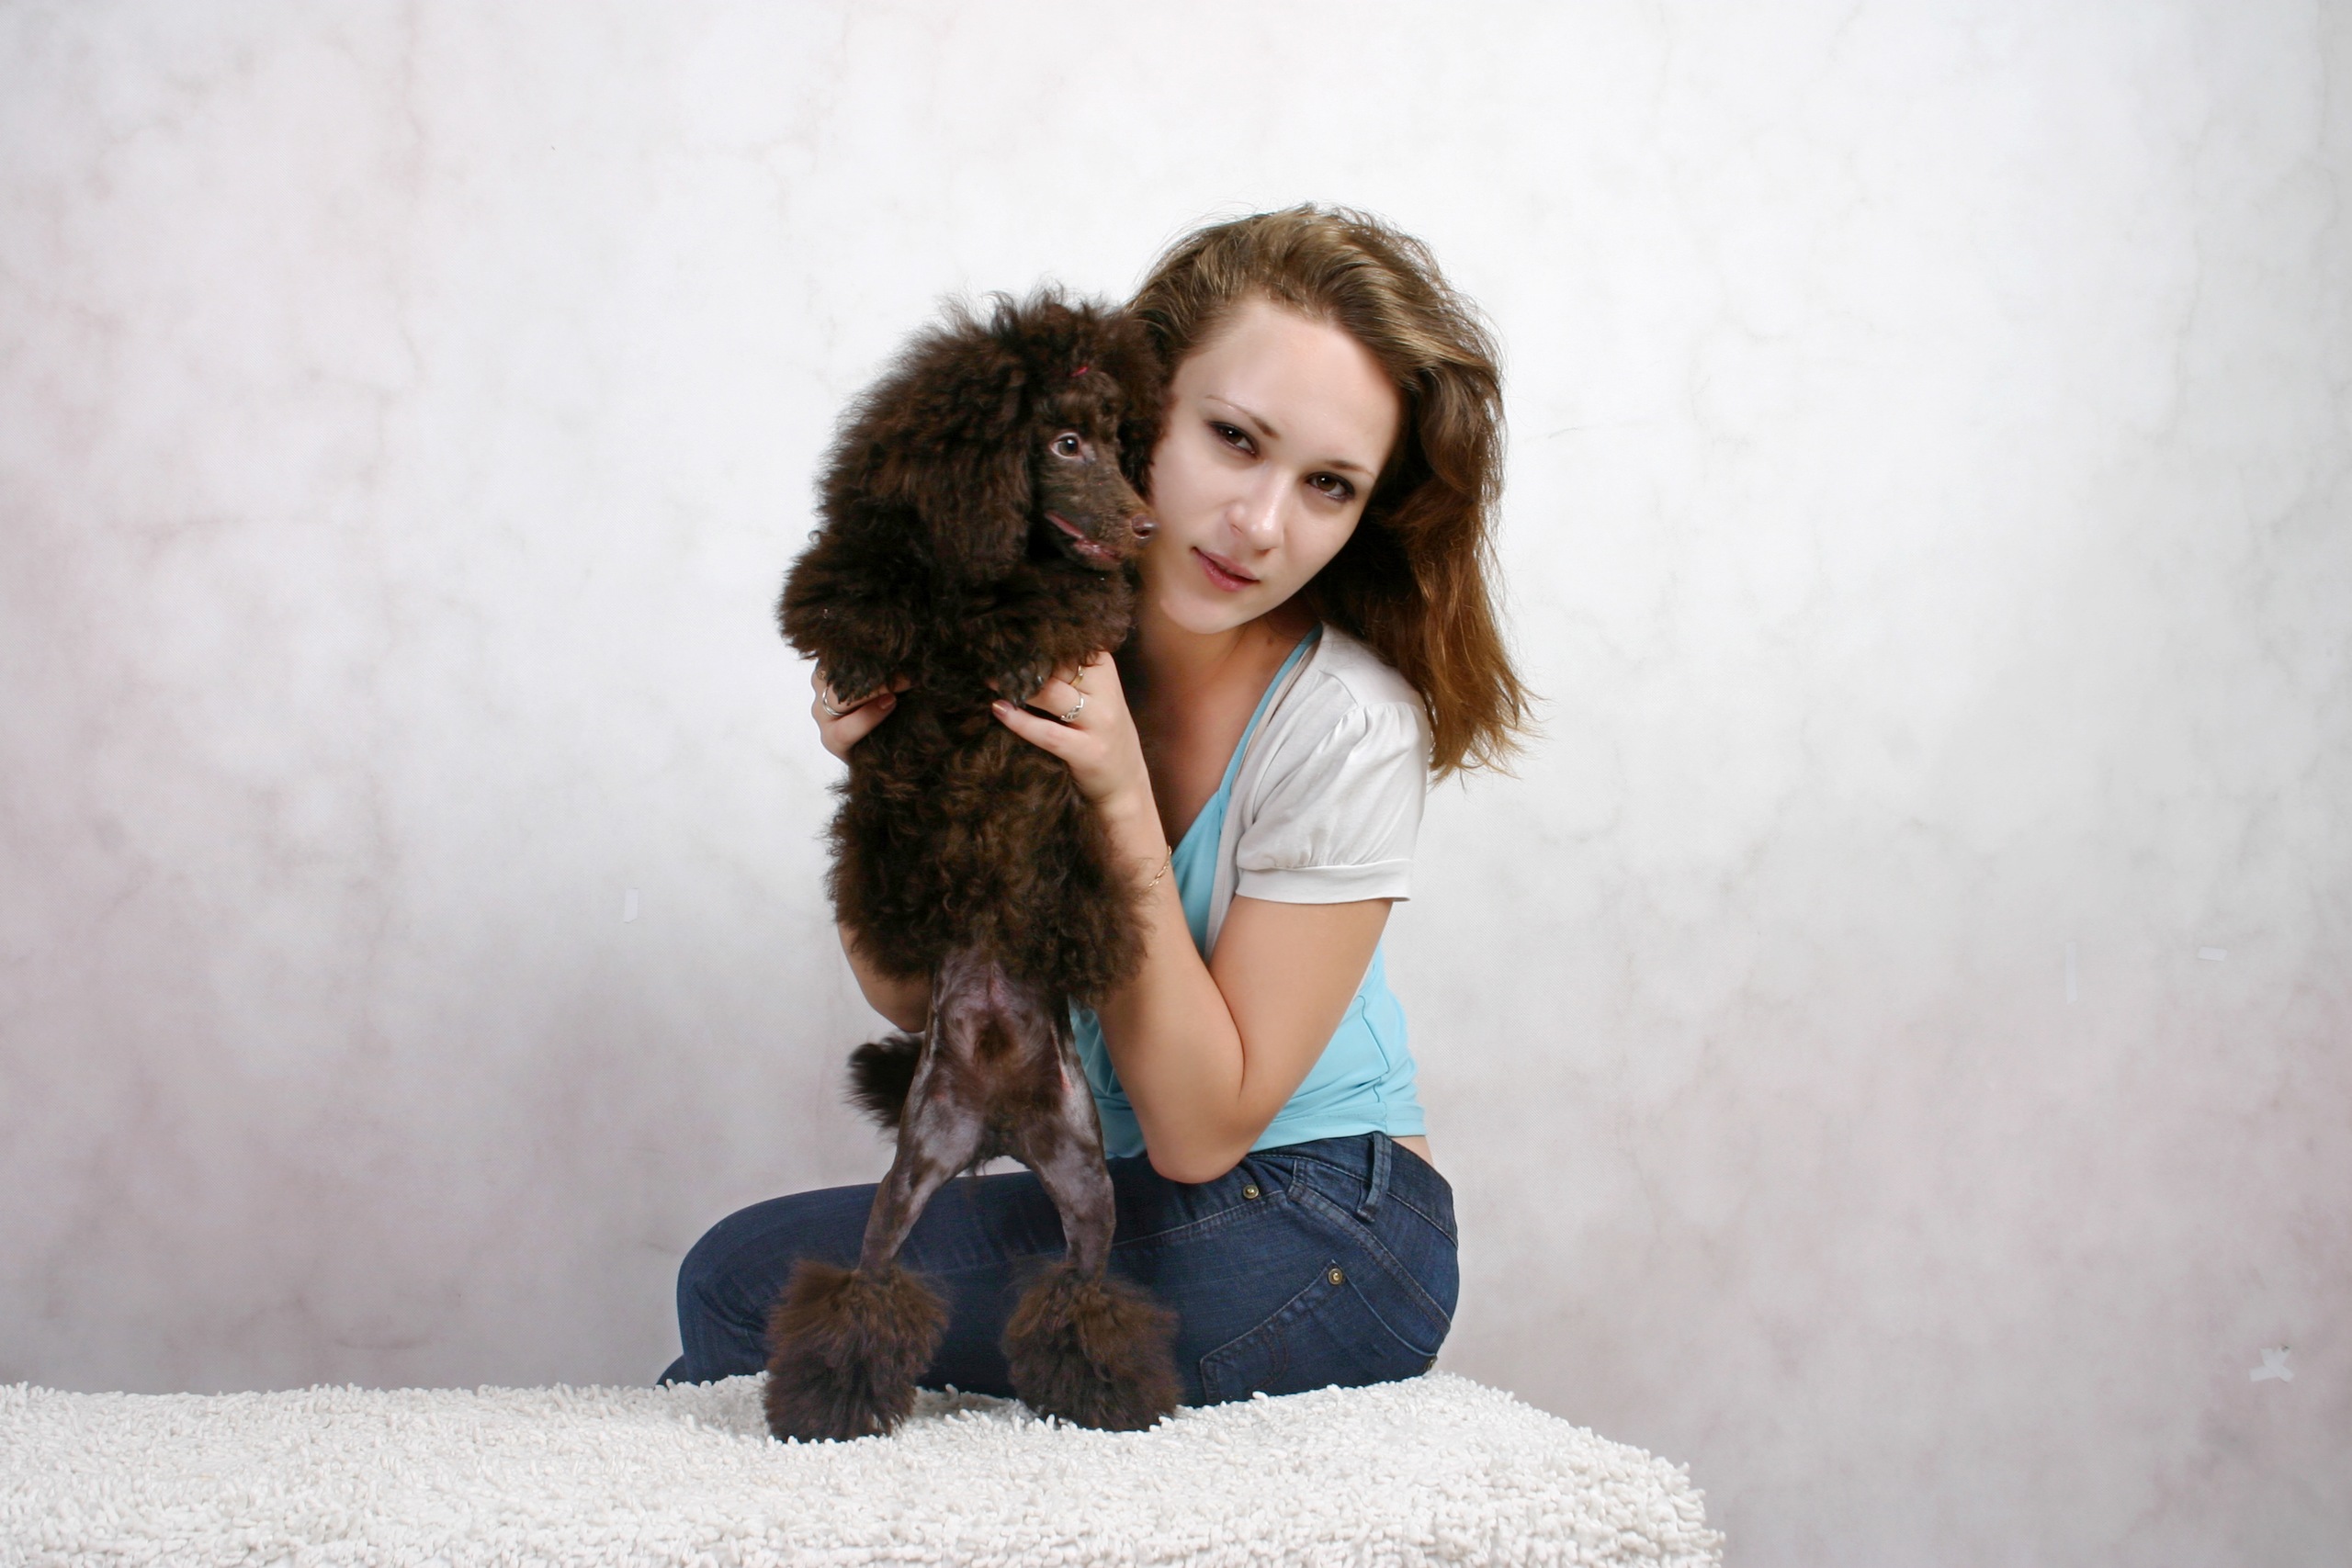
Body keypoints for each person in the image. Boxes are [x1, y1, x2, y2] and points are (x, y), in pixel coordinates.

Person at [665, 205, 1528, 1405]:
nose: (1261, 524)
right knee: (744, 1304)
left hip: (1332, 1234)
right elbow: (911, 994)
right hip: (1156, 1201)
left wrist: (1117, 791)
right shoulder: (1042, 644)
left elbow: (1199, 1130)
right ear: (1136, 405)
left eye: (1328, 486)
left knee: (737, 1285)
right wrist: (889, 771)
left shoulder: (1348, 723)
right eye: (1234, 438)